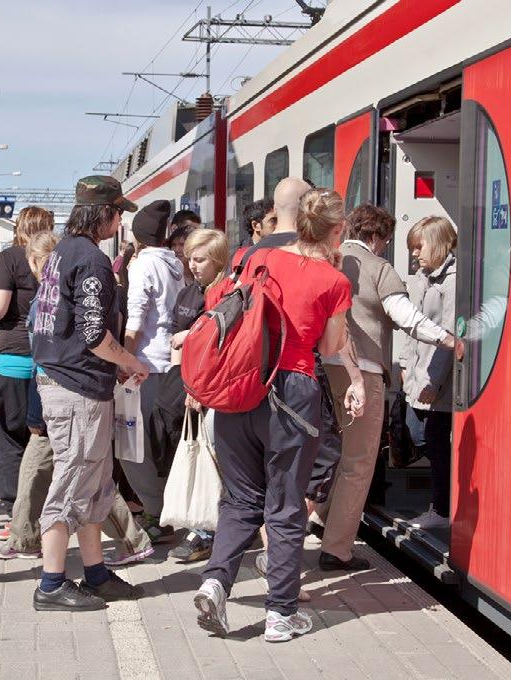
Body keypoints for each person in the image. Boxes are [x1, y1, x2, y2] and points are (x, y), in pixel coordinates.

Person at [194, 188, 358, 643]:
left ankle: (215, 583)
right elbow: (328, 349)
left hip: (239, 386)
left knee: (241, 499)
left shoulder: (251, 258)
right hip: (292, 394)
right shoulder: (334, 280)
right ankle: (280, 615)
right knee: (285, 506)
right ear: (337, 230)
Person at [30, 175, 150, 611]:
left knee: (95, 482)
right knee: (73, 479)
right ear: (105, 214)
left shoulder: (62, 252)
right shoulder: (93, 261)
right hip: (76, 386)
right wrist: (129, 362)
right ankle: (50, 583)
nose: (120, 223)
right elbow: (94, 333)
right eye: (118, 214)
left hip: (70, 381)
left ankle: (96, 573)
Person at [318, 205, 457, 567]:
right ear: (377, 237)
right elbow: (406, 317)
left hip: (324, 369)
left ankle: (321, 518)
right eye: (386, 241)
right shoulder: (378, 269)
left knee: (334, 452)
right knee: (359, 462)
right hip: (360, 373)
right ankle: (337, 548)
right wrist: (446, 339)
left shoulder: (327, 259)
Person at [154, 228, 229, 563]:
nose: (192, 265)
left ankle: (207, 532)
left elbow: (219, 349)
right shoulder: (188, 293)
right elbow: (175, 340)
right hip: (188, 387)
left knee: (213, 461)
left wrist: (198, 388)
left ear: (217, 260)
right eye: (190, 259)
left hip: (211, 391)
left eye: (199, 259)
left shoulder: (225, 294)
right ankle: (205, 525)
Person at [0, 206, 54, 521]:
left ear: (19, 227)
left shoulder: (9, 258)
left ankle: (18, 512)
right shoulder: (58, 259)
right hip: (48, 365)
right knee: (38, 440)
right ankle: (40, 507)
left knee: (3, 441)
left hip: (11, 362)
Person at [122, 200, 185, 544]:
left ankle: (154, 513)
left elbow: (135, 319)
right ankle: (167, 513)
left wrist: (124, 361)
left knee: (135, 447)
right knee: (164, 445)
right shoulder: (175, 262)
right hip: (172, 365)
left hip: (144, 366)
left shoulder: (143, 264)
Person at [400, 216, 458, 531]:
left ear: (437, 243)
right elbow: (412, 327)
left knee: (432, 437)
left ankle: (443, 506)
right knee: (420, 433)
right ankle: (444, 502)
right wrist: (406, 363)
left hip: (439, 379)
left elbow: (448, 335)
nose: (415, 253)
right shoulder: (422, 277)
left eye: (419, 246)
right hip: (420, 373)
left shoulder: (452, 280)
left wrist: (434, 382)